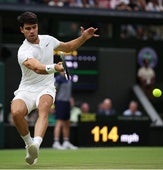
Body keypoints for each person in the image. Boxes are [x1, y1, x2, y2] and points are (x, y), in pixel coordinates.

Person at [10, 11, 98, 165]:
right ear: (22, 30)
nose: (32, 31)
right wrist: (55, 68)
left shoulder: (48, 40)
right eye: (28, 28)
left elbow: (69, 47)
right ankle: (29, 144)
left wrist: (83, 37)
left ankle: (35, 146)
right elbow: (37, 68)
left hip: (46, 87)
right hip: (26, 88)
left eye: (34, 27)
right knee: (16, 113)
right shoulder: (23, 51)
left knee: (43, 109)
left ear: (37, 27)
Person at [52, 72, 77, 150]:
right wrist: (52, 105)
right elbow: (54, 91)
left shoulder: (69, 78)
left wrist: (70, 98)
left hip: (67, 103)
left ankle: (66, 142)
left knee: (67, 122)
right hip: (60, 102)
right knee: (59, 122)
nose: (65, 71)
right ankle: (56, 142)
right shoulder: (58, 79)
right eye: (63, 70)